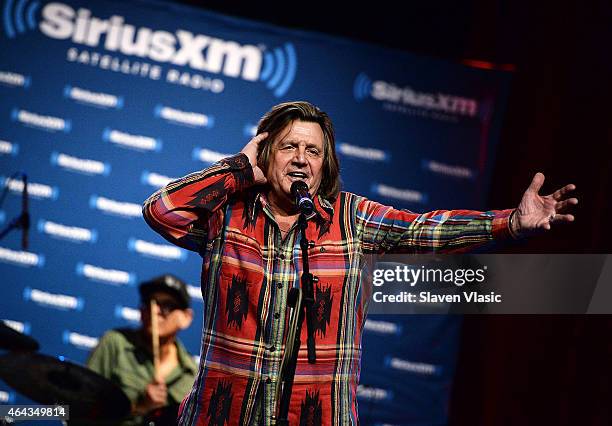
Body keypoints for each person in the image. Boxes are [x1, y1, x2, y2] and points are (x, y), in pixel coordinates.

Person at [142, 101, 577, 425]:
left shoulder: (351, 218)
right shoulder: (227, 215)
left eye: (313, 151)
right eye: (288, 146)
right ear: (265, 153)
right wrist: (238, 168)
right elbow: (162, 210)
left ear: (325, 163)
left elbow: (424, 230)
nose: (300, 159)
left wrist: (511, 223)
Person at [87, 274, 197, 425]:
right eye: (149, 303)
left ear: (186, 318)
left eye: (167, 306)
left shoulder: (192, 375)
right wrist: (140, 407)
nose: (155, 310)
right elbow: (82, 409)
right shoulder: (115, 343)